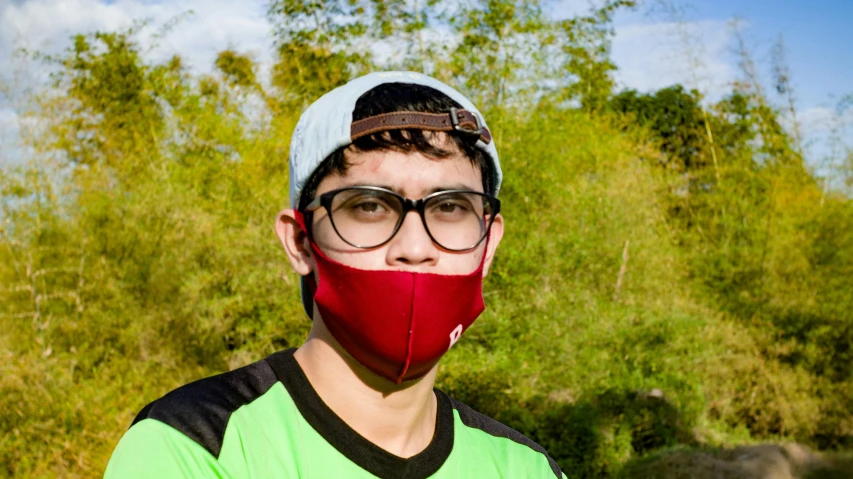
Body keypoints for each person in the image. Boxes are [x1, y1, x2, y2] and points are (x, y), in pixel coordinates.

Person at [105, 71, 565, 478]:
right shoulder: (195, 447)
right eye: (369, 206)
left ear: (488, 245)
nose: (414, 248)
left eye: (449, 207)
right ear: (300, 242)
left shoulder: (524, 468)